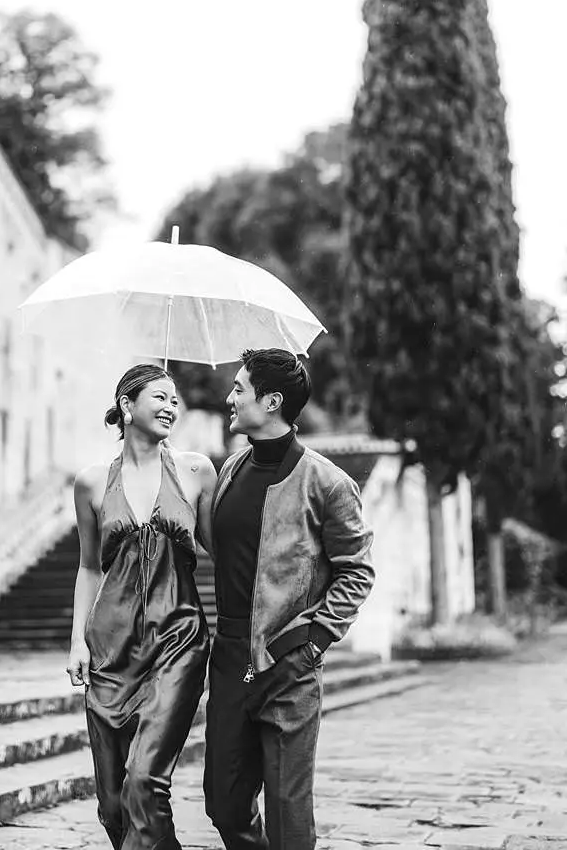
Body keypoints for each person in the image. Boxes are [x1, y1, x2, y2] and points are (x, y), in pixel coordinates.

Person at [201, 348, 374, 850]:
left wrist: (313, 638)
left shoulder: (327, 482)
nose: (228, 398)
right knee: (224, 802)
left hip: (288, 661)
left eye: (239, 389)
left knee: (287, 812)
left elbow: (357, 571)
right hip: (230, 655)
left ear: (271, 401)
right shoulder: (232, 468)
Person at [68, 363, 218, 849]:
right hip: (111, 650)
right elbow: (90, 567)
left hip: (178, 640)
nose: (171, 407)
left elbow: (224, 550)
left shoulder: (196, 471)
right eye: (160, 397)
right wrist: (77, 643)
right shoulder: (92, 483)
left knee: (144, 781)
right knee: (113, 803)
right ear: (127, 407)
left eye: (176, 400)